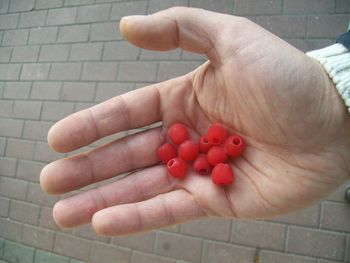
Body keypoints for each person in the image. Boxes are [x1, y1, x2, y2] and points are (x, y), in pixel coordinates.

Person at [39, 7, 350, 236]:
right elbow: (198, 155)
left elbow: (206, 154)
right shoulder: (197, 152)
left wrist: (330, 102)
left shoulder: (208, 150)